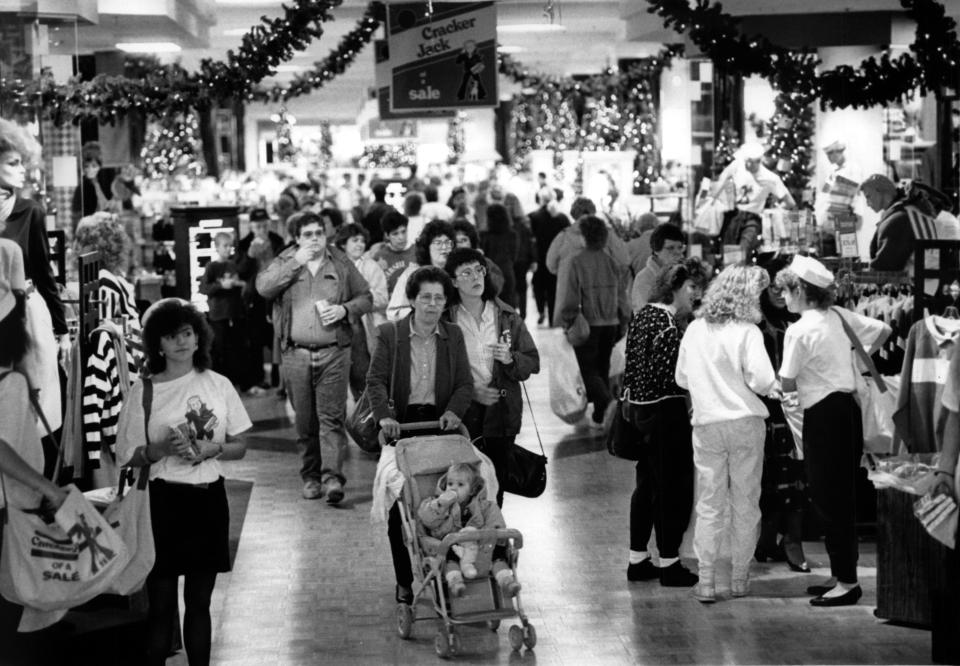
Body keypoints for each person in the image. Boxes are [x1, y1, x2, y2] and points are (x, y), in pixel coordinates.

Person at [116, 298, 251, 666]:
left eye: (187, 333)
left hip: (208, 501)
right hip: (162, 503)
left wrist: (213, 448)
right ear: (157, 343)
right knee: (160, 605)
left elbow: (240, 446)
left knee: (200, 604)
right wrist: (158, 449)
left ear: (198, 337)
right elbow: (126, 454)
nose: (181, 342)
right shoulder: (143, 391)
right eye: (171, 335)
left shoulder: (218, 384)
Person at [775, 255, 891, 606]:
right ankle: (843, 574)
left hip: (823, 417)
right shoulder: (839, 316)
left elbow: (787, 380)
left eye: (785, 289)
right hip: (847, 411)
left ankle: (848, 582)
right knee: (842, 498)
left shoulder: (798, 330)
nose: (782, 296)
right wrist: (851, 360)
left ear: (800, 290)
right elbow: (883, 330)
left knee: (829, 500)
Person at [365, 266, 474, 603]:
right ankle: (403, 580)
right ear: (412, 300)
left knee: (457, 493)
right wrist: (385, 418)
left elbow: (464, 384)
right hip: (403, 424)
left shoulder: (453, 335)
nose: (432, 304)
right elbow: (375, 381)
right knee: (402, 505)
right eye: (425, 297)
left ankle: (449, 567)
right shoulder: (390, 334)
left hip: (440, 422)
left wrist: (454, 412)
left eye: (438, 298)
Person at [675, 265, 777, 602]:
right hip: (745, 422)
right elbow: (762, 380)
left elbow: (682, 378)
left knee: (709, 502)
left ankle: (706, 579)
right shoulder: (748, 331)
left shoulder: (694, 330)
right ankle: (739, 577)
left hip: (706, 424)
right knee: (745, 500)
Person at [256, 211, 373, 503]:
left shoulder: (340, 262)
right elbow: (264, 287)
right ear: (297, 238)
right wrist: (296, 262)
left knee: (331, 418)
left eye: (318, 233)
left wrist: (346, 310)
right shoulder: (287, 260)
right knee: (305, 421)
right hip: (296, 354)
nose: (314, 239)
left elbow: (366, 297)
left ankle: (332, 477)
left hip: (334, 352)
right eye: (307, 234)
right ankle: (310, 475)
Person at [622, 260, 708, 587]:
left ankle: (638, 558)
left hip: (639, 414)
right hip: (666, 413)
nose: (696, 295)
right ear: (675, 286)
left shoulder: (644, 315)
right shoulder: (669, 326)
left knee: (646, 487)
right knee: (673, 489)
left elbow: (631, 369)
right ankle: (670, 562)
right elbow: (673, 378)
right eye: (692, 287)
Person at [443, 247, 539, 506]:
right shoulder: (446, 318)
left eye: (479, 270)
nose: (475, 277)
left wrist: (511, 359)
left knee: (494, 484)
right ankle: (465, 538)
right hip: (462, 413)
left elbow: (532, 360)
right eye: (466, 272)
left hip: (502, 412)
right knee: (460, 481)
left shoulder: (506, 316)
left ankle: (493, 540)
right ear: (453, 281)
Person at [0, 118, 68, 437]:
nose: (22, 169)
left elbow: (43, 272)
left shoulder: (30, 211)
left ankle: (37, 480)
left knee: (37, 407)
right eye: (14, 162)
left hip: (27, 312)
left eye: (22, 162)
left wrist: (61, 329)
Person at [755, 256, 809, 573]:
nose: (778, 291)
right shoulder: (756, 322)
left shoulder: (798, 318)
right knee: (772, 477)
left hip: (797, 408)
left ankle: (793, 541)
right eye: (771, 284)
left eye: (783, 284)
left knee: (795, 476)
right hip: (768, 410)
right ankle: (768, 540)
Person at [559, 215, 631, 428]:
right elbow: (621, 293)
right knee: (603, 367)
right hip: (611, 321)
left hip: (588, 323)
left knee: (587, 370)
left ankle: (609, 404)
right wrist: (624, 318)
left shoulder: (577, 260)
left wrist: (568, 318)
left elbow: (570, 295)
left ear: (584, 236)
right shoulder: (610, 260)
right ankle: (600, 416)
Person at [417, 463, 519, 598]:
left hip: (480, 548)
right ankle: (455, 581)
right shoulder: (435, 504)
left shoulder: (485, 507)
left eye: (460, 485)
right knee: (448, 555)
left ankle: (506, 579)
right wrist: (440, 505)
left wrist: (491, 535)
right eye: (450, 483)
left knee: (498, 550)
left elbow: (496, 523)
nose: (453, 488)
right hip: (452, 547)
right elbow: (426, 519)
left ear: (471, 490)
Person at [548, 196, 630, 327]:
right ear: (593, 212)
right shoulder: (607, 234)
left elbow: (551, 265)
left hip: (573, 303)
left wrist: (567, 273)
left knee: (578, 338)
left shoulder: (563, 236)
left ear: (574, 214)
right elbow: (624, 260)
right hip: (604, 300)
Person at [334, 223, 388, 400]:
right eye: (354, 240)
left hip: (365, 329)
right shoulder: (334, 267)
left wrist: (360, 302)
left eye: (362, 240)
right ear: (343, 244)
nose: (360, 244)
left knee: (363, 377)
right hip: (339, 329)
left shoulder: (371, 267)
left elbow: (382, 298)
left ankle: (365, 418)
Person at [711, 143, 796, 251]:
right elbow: (722, 179)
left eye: (749, 162)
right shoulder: (738, 165)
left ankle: (742, 266)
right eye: (745, 161)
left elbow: (790, 202)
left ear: (758, 161)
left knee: (743, 250)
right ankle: (729, 267)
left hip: (752, 218)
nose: (746, 165)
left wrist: (773, 211)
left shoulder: (770, 178)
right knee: (729, 252)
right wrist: (712, 199)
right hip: (733, 215)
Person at [237, 208, 285, 390]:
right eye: (258, 226)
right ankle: (257, 377)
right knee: (254, 340)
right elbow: (240, 270)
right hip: (254, 297)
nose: (262, 230)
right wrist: (249, 255)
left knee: (276, 337)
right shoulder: (244, 244)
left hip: (275, 294)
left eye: (264, 225)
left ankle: (277, 377)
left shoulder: (277, 240)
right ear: (251, 226)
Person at [199, 231, 251, 392]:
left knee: (235, 349)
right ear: (217, 247)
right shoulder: (212, 267)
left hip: (234, 313)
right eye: (225, 246)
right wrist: (221, 286)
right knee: (219, 349)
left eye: (230, 246)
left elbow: (239, 285)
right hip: (218, 314)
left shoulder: (233, 265)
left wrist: (239, 285)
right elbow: (203, 288)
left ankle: (235, 381)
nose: (229, 249)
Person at [862, 174, 937, 272]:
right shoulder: (906, 209)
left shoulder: (899, 218)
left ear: (880, 191)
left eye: (868, 196)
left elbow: (885, 267)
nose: (867, 203)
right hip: (926, 279)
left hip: (920, 283)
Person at [386, 220, 456, 321]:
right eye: (438, 243)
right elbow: (393, 313)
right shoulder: (412, 274)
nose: (444, 247)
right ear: (427, 247)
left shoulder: (456, 273)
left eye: (448, 242)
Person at [529, 187, 569, 325]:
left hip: (539, 258)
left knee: (538, 286)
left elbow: (530, 239)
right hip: (557, 259)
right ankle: (552, 318)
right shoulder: (562, 217)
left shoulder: (533, 217)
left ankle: (541, 311)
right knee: (553, 288)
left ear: (540, 200)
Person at [631, 223, 686, 312]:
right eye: (670, 248)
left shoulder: (682, 275)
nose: (677, 253)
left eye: (680, 248)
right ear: (656, 250)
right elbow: (648, 314)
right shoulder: (644, 279)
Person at [478, 203, 518, 307]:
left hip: (490, 273)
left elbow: (482, 255)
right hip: (507, 272)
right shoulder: (512, 234)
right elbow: (514, 256)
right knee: (508, 307)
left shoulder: (484, 235)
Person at [370, 211, 416, 295]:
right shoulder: (379, 256)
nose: (401, 237)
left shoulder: (418, 252)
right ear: (387, 235)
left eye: (403, 231)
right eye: (395, 234)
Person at [71, 143, 114, 222]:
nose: (90, 170)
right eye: (86, 166)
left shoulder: (100, 183)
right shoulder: (84, 187)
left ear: (99, 166)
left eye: (94, 166)